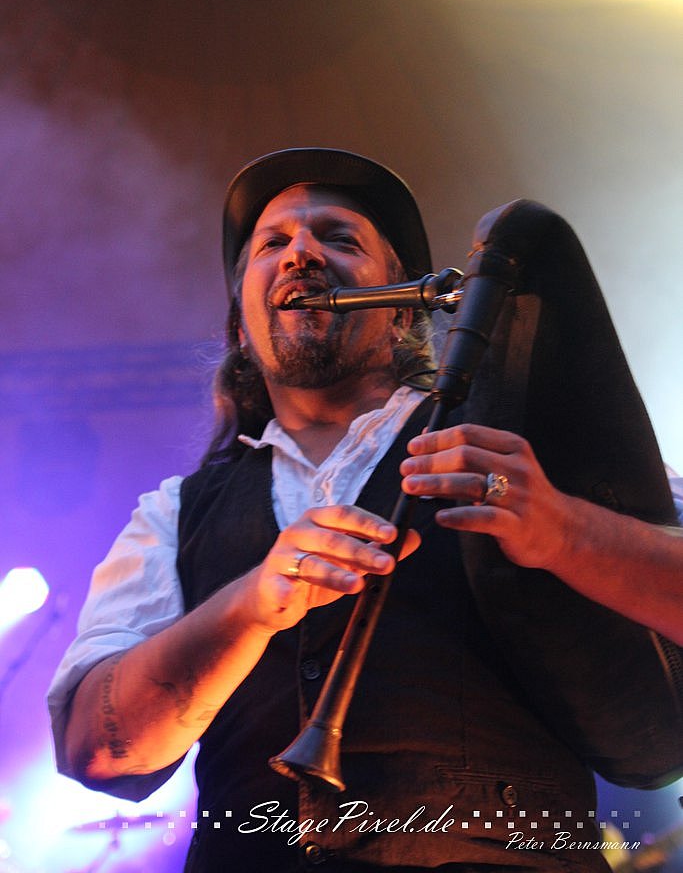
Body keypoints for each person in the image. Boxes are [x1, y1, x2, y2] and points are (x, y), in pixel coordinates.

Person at [49, 148, 683, 872]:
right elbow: (95, 751)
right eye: (273, 243)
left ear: (403, 309)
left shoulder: (517, 449)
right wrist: (247, 608)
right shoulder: (172, 514)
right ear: (242, 325)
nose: (301, 254)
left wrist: (565, 531)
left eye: (338, 238)